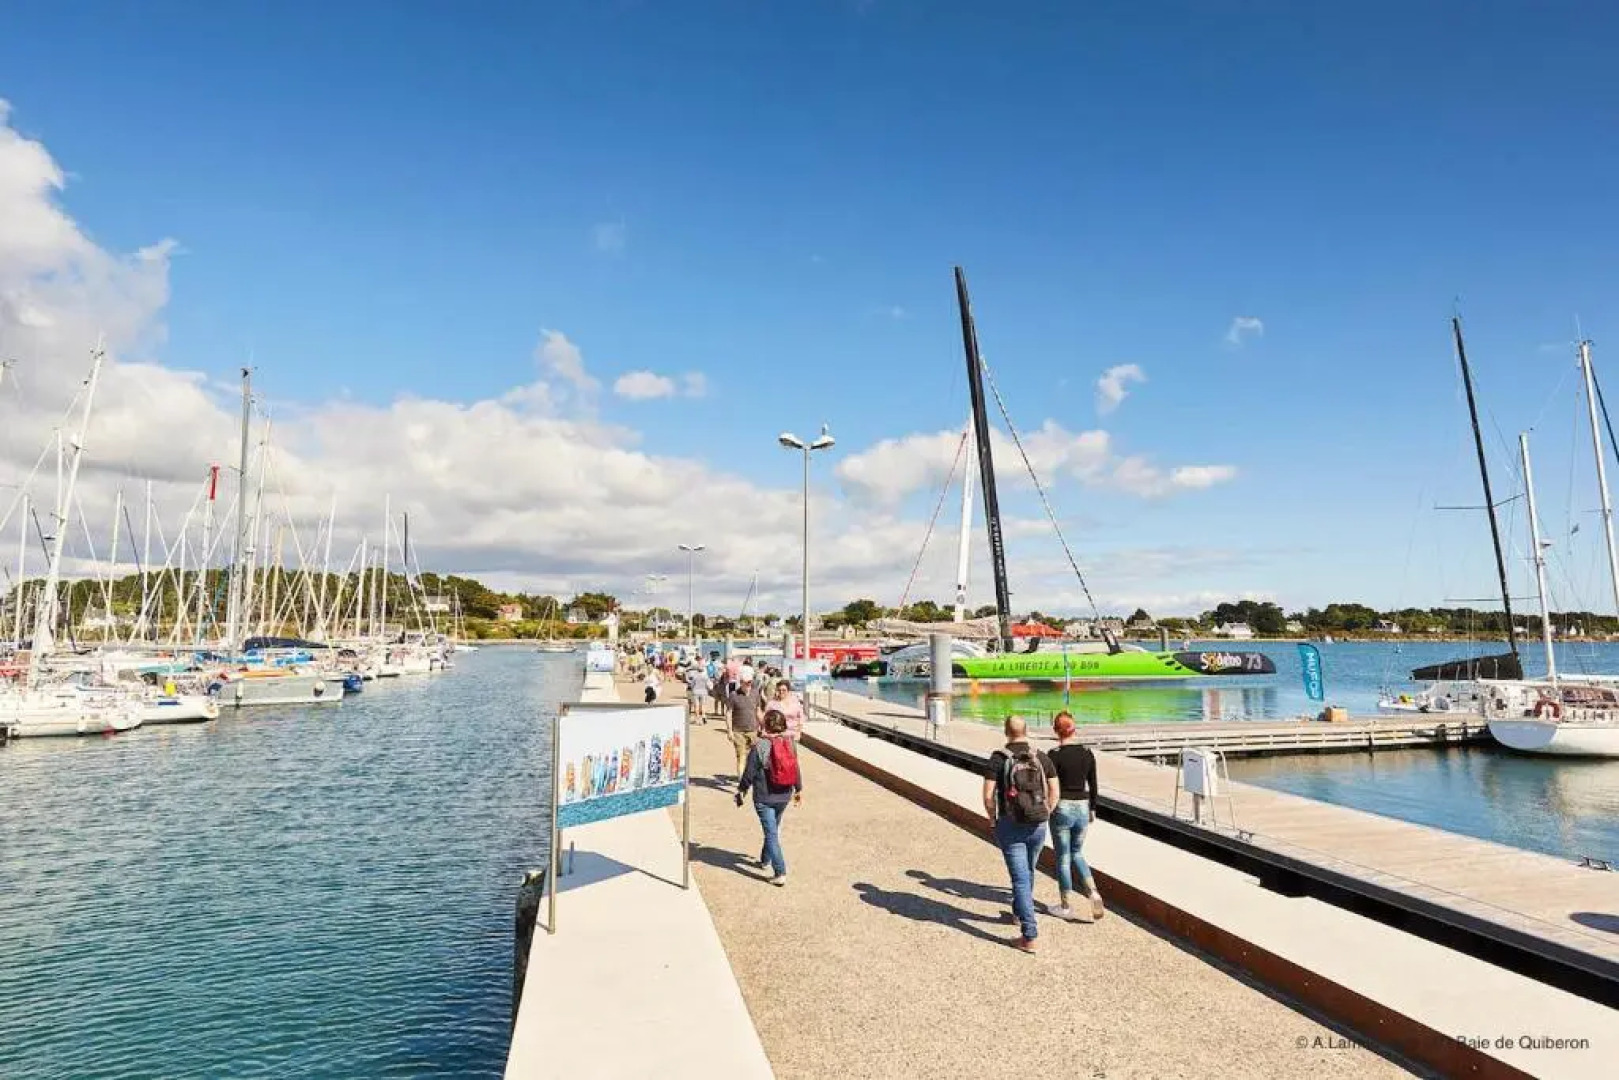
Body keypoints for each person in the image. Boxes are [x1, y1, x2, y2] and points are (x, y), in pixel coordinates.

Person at [981, 715, 1059, 953]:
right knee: (1028, 871)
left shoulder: (999, 758)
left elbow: (987, 795)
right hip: (1038, 824)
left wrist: (993, 817)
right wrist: (1046, 811)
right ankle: (1019, 912)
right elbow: (1055, 789)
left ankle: (1029, 934)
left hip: (1010, 824)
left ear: (1006, 732)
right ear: (1027, 730)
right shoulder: (1040, 756)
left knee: (1020, 878)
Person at [1047, 712, 1105, 921]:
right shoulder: (1087, 753)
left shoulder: (1053, 755)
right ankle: (1093, 892)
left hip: (1062, 806)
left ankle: (1066, 906)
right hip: (1083, 805)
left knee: (1063, 857)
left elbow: (1050, 786)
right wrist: (1093, 808)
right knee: (1077, 852)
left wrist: (1048, 807)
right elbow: (1094, 784)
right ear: (1075, 729)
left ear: (1056, 731)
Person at [736, 709, 802, 886]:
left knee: (771, 834)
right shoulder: (790, 743)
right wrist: (798, 790)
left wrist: (741, 790)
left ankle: (780, 872)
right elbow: (795, 768)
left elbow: (749, 773)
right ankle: (765, 861)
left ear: (766, 724)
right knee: (772, 829)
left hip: (765, 797)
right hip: (784, 795)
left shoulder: (760, 746)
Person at [726, 677, 761, 777]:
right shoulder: (734, 695)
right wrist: (729, 731)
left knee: (752, 756)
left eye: (750, 683)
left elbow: (758, 710)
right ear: (741, 683)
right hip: (738, 732)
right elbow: (729, 713)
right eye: (746, 683)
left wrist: (762, 726)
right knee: (741, 756)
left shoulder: (755, 694)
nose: (748, 685)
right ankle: (741, 783)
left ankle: (748, 776)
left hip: (753, 730)